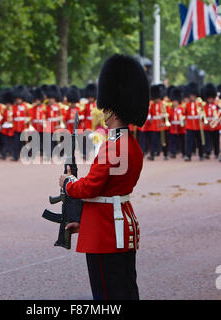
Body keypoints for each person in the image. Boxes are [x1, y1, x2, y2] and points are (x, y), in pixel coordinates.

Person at [59, 54, 149, 300]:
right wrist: (84, 220)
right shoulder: (130, 144)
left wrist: (68, 184)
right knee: (125, 291)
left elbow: (90, 187)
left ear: (112, 110)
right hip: (118, 224)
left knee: (107, 296)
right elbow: (110, 190)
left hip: (106, 232)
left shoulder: (113, 146)